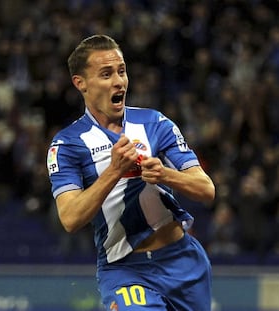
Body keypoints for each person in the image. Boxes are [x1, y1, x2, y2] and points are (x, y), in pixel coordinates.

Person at [47, 34, 215, 311]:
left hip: (184, 261)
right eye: (106, 74)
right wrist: (114, 171)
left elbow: (206, 190)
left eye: (121, 71)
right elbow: (70, 218)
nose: (118, 81)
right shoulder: (67, 144)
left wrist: (164, 174)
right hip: (126, 270)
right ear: (81, 83)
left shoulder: (154, 122)